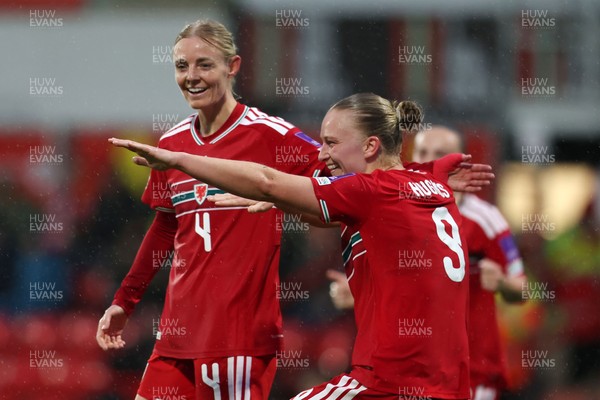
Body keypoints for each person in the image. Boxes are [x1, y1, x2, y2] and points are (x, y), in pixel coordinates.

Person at [109, 93, 476, 399]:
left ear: (370, 146)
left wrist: (180, 160)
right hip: (451, 384)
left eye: (331, 142)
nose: (323, 154)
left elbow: (267, 179)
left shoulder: (369, 191)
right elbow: (433, 173)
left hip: (387, 381)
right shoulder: (430, 182)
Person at [96, 19, 326, 400]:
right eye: (182, 66)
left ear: (232, 66)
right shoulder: (170, 145)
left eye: (204, 64)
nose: (191, 77)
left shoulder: (272, 136)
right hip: (176, 335)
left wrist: (278, 196)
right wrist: (124, 301)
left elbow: (338, 191)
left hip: (237, 338)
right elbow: (165, 229)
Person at [329, 125, 526, 400]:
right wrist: (359, 294)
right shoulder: (398, 207)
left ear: (458, 160)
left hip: (472, 371)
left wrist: (504, 283)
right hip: (412, 373)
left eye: (439, 153)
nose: (426, 159)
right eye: (422, 151)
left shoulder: (486, 220)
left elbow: (524, 290)